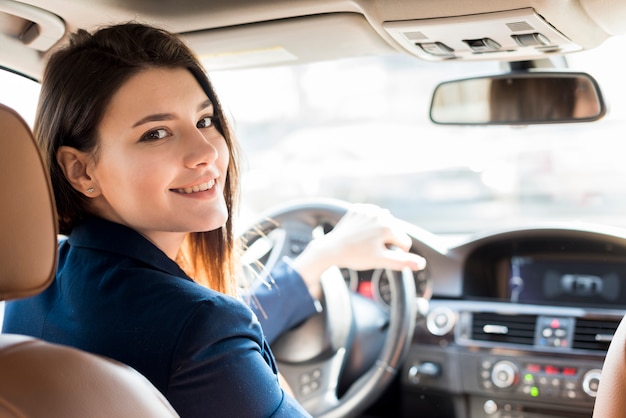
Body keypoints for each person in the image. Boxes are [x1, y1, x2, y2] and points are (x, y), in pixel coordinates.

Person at [1, 22, 425, 417]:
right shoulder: (201, 327)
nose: (206, 150)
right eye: (156, 133)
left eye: (205, 120)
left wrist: (317, 262)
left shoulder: (41, 282)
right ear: (81, 170)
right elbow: (198, 334)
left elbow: (186, 336)